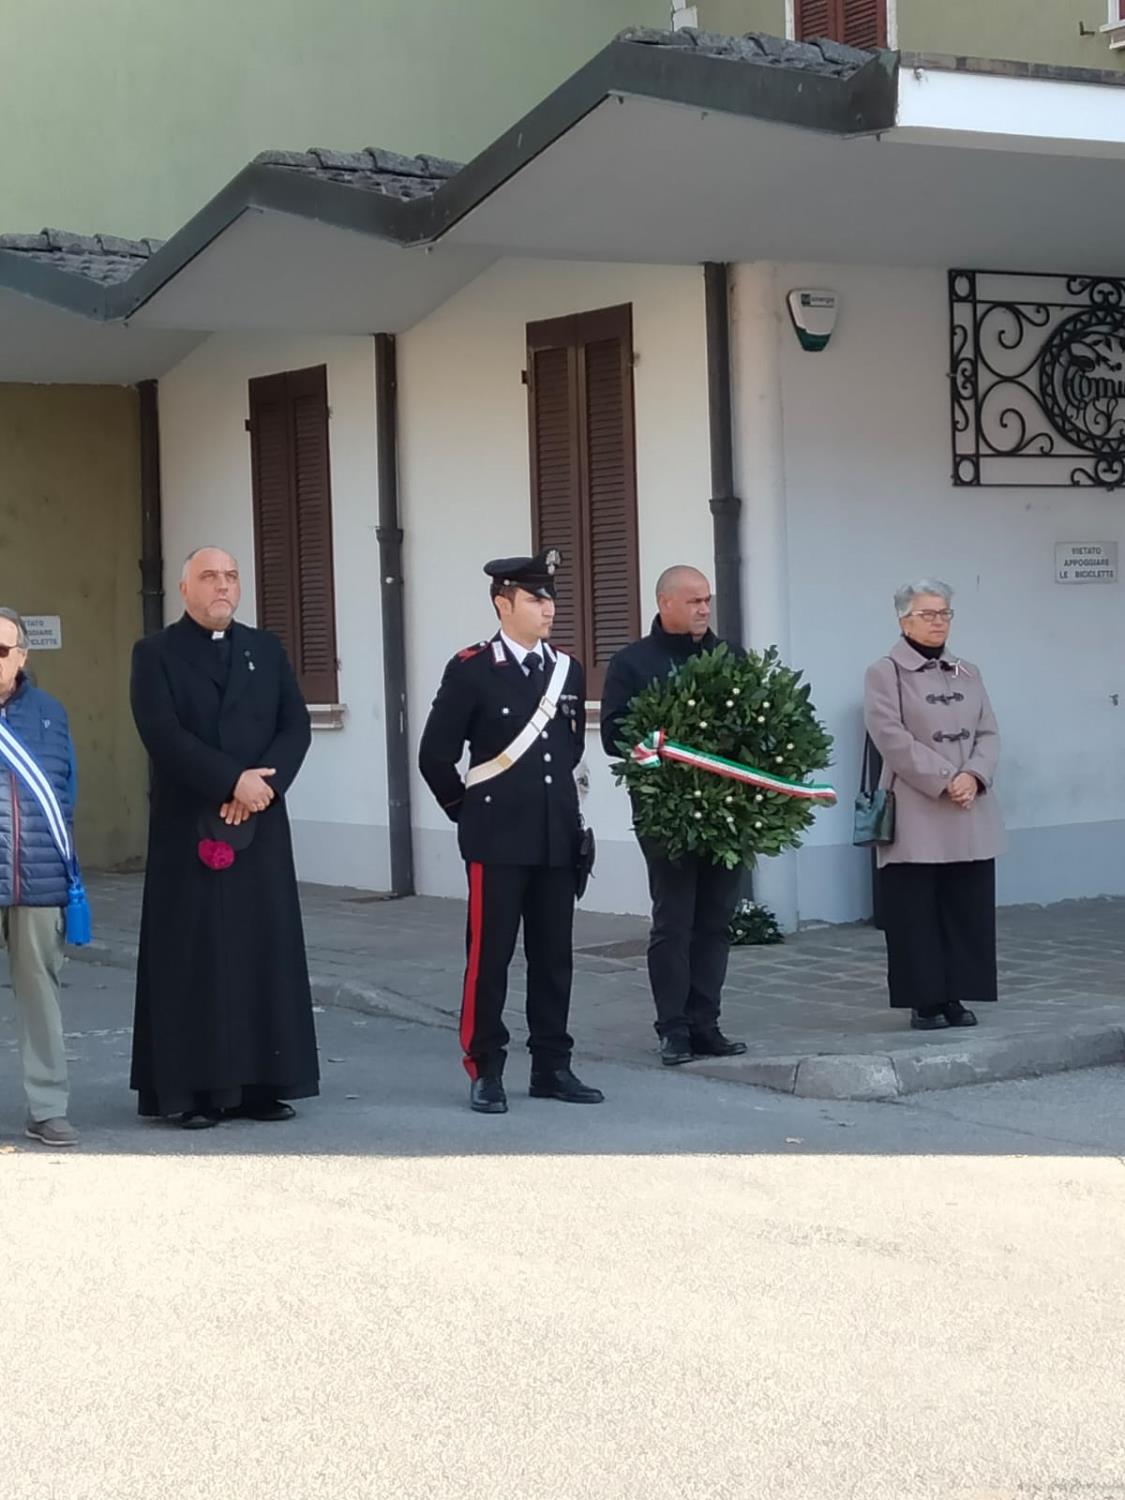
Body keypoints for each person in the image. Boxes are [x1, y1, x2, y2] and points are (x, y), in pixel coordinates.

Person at [129, 546, 319, 1128]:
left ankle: (263, 1084)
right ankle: (191, 1092)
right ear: (184, 588)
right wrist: (230, 780)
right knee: (194, 957)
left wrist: (264, 786)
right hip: (189, 823)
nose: (223, 586)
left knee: (263, 950)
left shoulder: (266, 649)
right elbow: (162, 733)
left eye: (231, 577)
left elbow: (296, 724)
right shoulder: (155, 654)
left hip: (260, 824)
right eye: (209, 576)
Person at [418, 549, 603, 1114]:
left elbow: (568, 751)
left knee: (554, 959)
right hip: (496, 840)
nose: (549, 609)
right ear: (503, 604)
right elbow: (435, 756)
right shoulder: (472, 668)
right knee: (490, 959)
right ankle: (486, 1068)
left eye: (550, 598)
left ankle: (552, 1065)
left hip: (555, 836)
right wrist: (466, 812)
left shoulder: (566, 669)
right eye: (535, 599)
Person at [600, 566, 748, 1067]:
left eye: (707, 600)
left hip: (726, 810)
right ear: (665, 604)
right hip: (668, 813)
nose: (704, 609)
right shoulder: (632, 663)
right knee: (675, 921)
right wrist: (663, 741)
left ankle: (706, 1024)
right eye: (694, 601)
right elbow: (614, 735)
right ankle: (674, 1029)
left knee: (716, 921)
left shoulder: (731, 658)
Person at [863, 578, 1003, 1030]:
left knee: (965, 908)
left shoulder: (968, 672)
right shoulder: (884, 672)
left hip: (968, 806)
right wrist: (945, 779)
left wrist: (974, 775)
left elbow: (988, 732)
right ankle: (924, 1000)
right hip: (916, 807)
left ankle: (956, 994)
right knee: (915, 911)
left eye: (944, 613)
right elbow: (890, 736)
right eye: (927, 614)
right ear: (904, 620)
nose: (938, 622)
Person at [0, 608, 80, 1146]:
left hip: (37, 878)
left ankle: (48, 1107)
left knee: (41, 1000)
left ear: (22, 657)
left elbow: (66, 790)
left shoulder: (51, 713)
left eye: (2, 649)